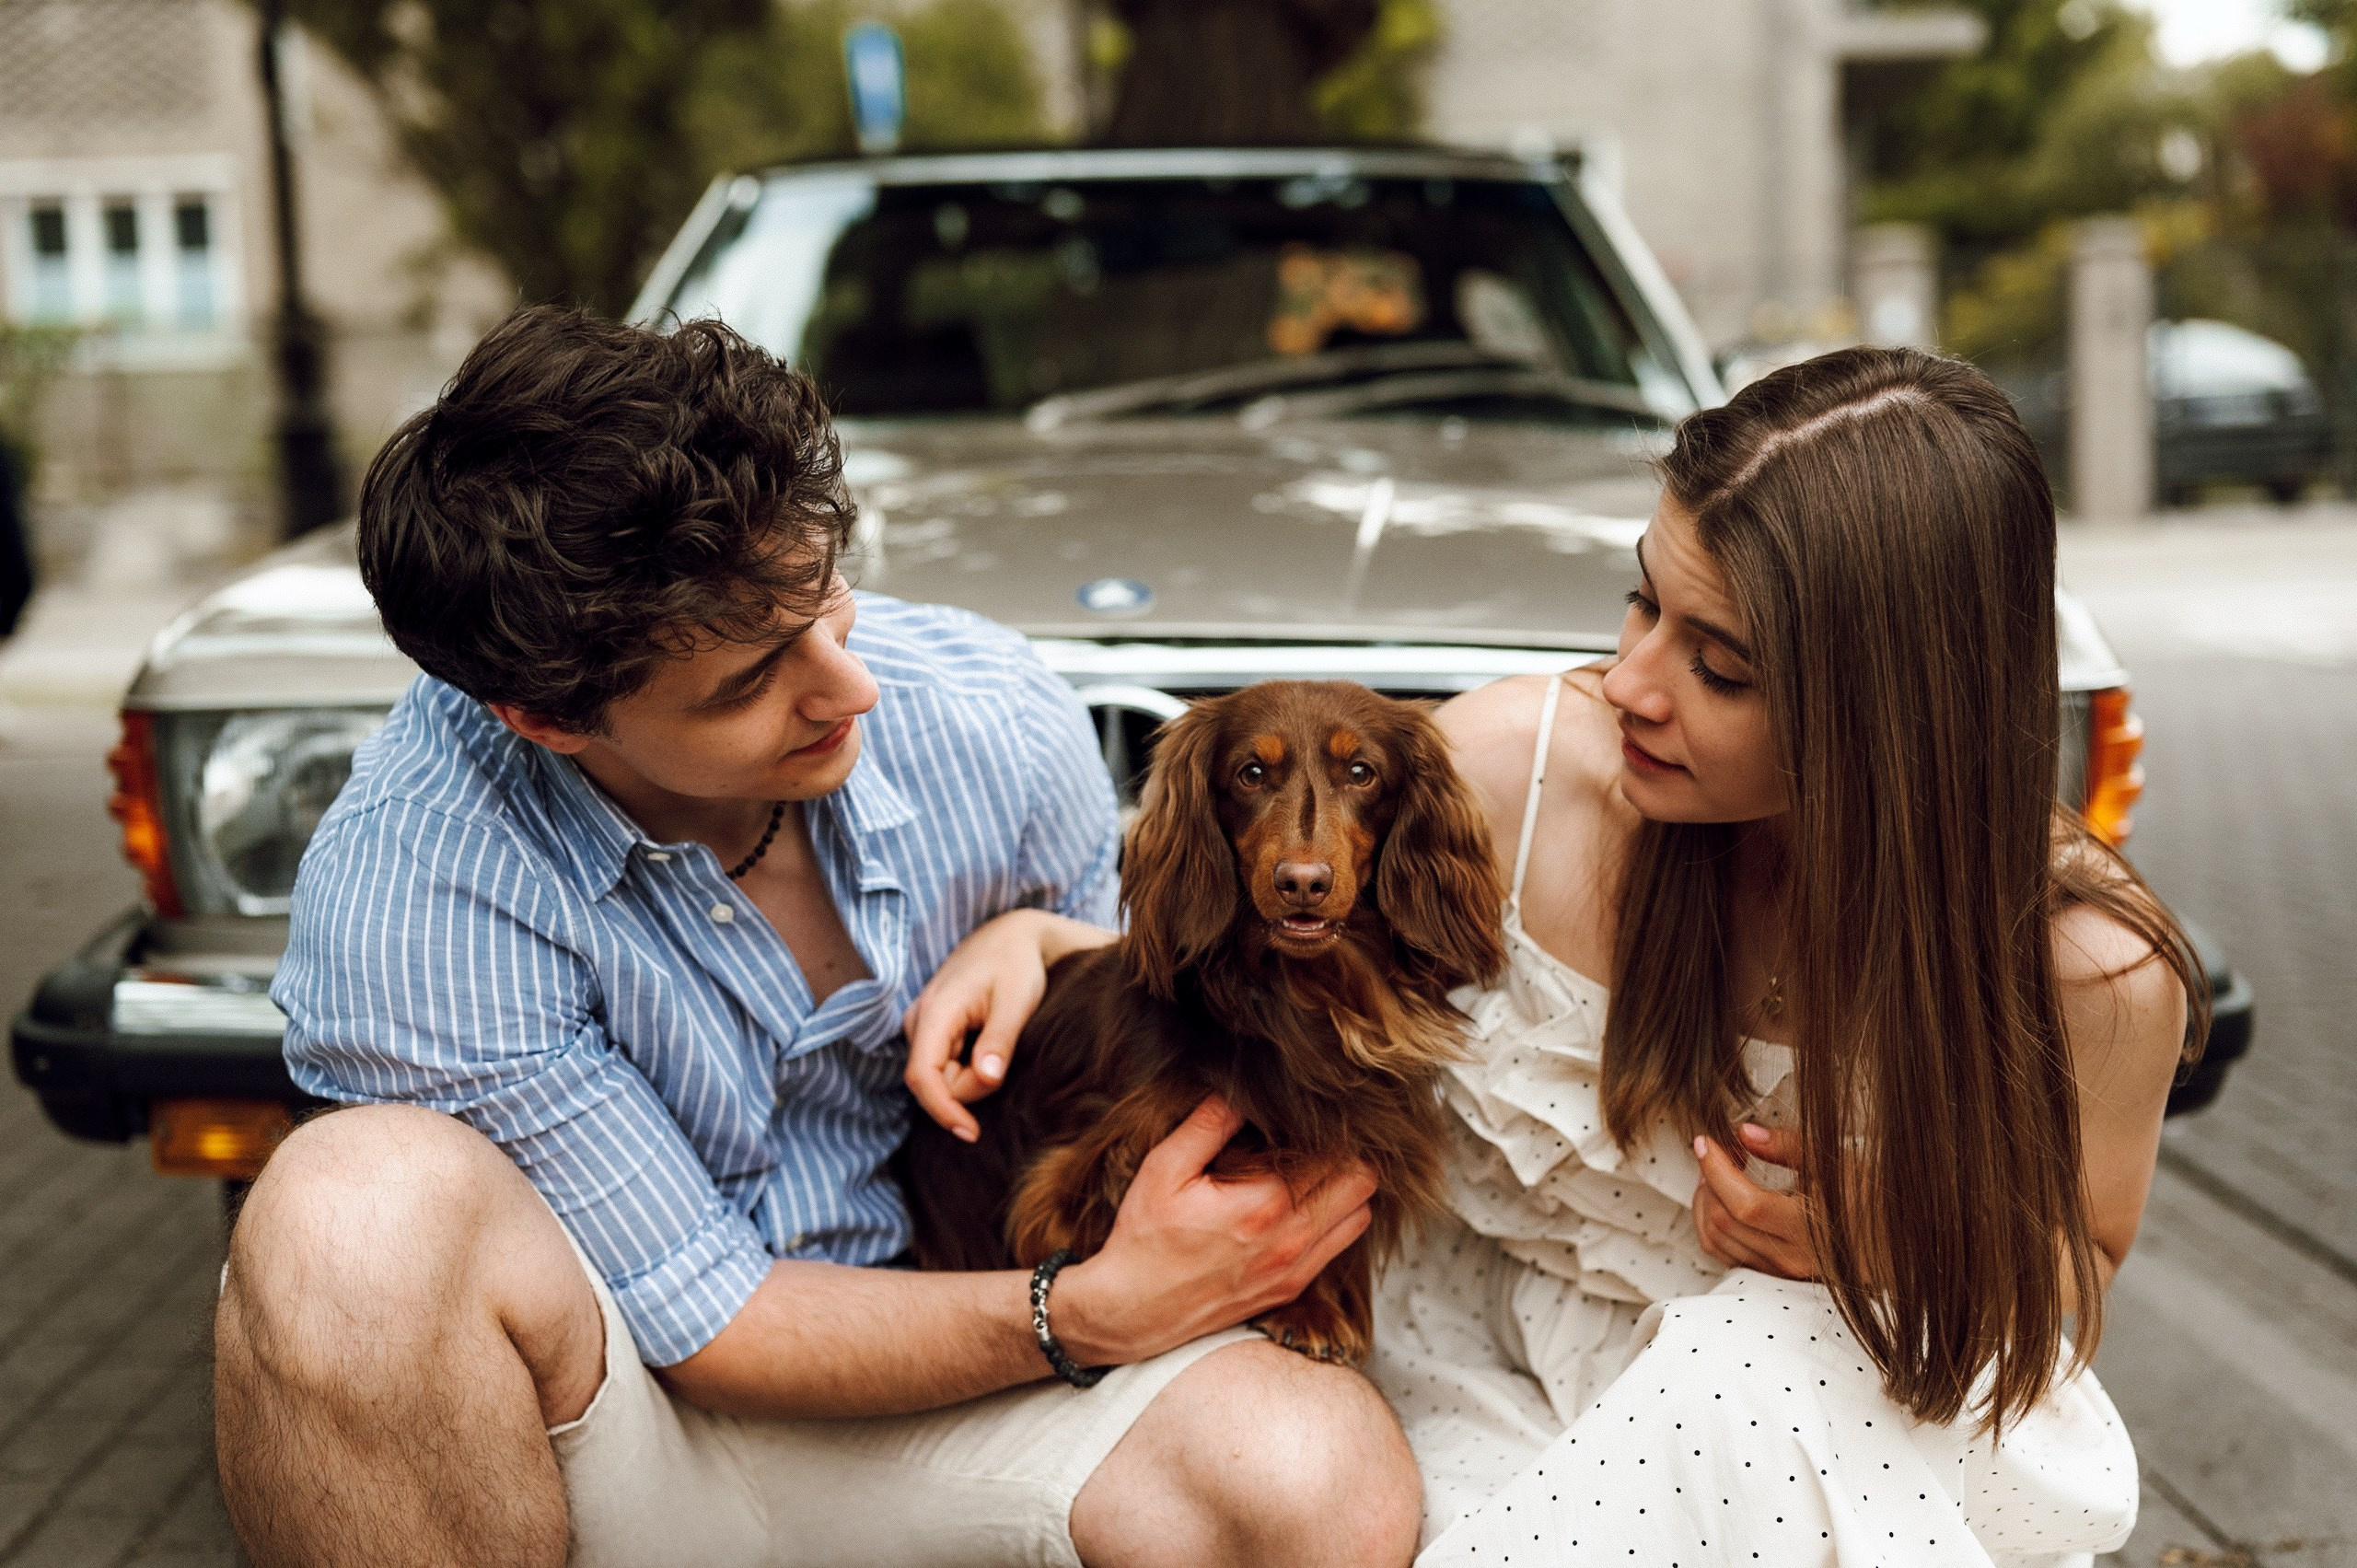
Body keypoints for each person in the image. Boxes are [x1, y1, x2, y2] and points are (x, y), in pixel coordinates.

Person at [213, 307, 1422, 1568]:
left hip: (973, 1364)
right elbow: (713, 1321)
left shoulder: (992, 714)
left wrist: (1061, 940)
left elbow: (1157, 1054)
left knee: (1317, 1479)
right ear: (547, 718)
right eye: (749, 682)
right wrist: (1087, 1316)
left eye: (827, 602)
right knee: (340, 1215)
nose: (854, 689)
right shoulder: (415, 891)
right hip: (604, 1416)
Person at [1358, 345, 2204, 1562]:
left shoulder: (2089, 968)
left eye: (1719, 667)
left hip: (1858, 1403)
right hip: (1496, 1382)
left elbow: (2080, 1268)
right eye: (1643, 601)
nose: (1628, 683)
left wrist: (1916, 1242)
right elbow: (1261, 992)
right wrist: (1032, 940)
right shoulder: (1512, 773)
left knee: (1753, 1360)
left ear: (1887, 713)